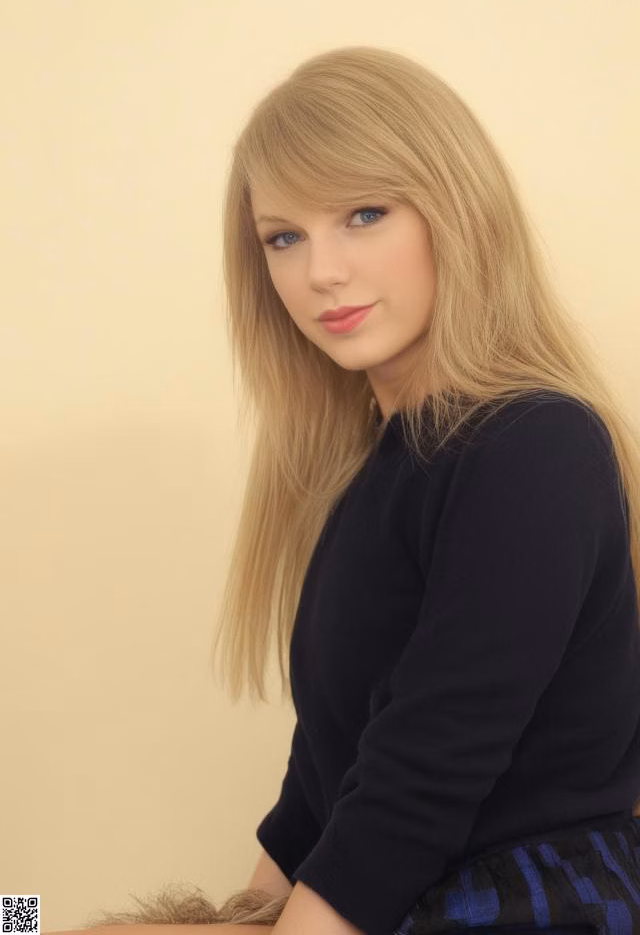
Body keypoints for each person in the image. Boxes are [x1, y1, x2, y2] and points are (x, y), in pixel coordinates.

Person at [65, 46, 640, 935]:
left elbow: (430, 765)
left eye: (364, 214)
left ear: (457, 209)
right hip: (407, 893)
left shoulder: (534, 444)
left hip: (527, 903)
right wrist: (236, 918)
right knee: (28, 920)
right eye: (283, 237)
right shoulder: (371, 473)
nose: (319, 272)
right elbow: (326, 775)